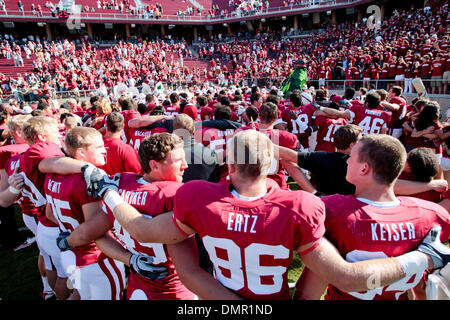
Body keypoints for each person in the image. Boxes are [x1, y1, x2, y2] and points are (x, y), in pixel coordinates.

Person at [82, 129, 450, 300]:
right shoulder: (304, 207)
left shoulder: (196, 198)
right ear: (272, 164)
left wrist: (110, 194)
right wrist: (421, 258)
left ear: (228, 164)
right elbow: (341, 278)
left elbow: (146, 233)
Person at [294, 134, 450, 300]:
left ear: (364, 168)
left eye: (351, 157)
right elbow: (419, 284)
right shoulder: (431, 215)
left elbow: (308, 293)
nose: (347, 161)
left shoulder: (332, 210)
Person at [60, 132, 194, 300]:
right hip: (173, 288)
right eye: (178, 160)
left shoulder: (121, 185)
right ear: (154, 165)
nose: (186, 165)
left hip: (137, 286)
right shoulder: (174, 194)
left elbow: (92, 233)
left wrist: (68, 240)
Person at [44, 127, 126, 300]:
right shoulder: (86, 181)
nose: (105, 150)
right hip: (96, 258)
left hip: (69, 255)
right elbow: (95, 231)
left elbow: (50, 214)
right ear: (81, 152)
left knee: (82, 295)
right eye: (99, 147)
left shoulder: (53, 174)